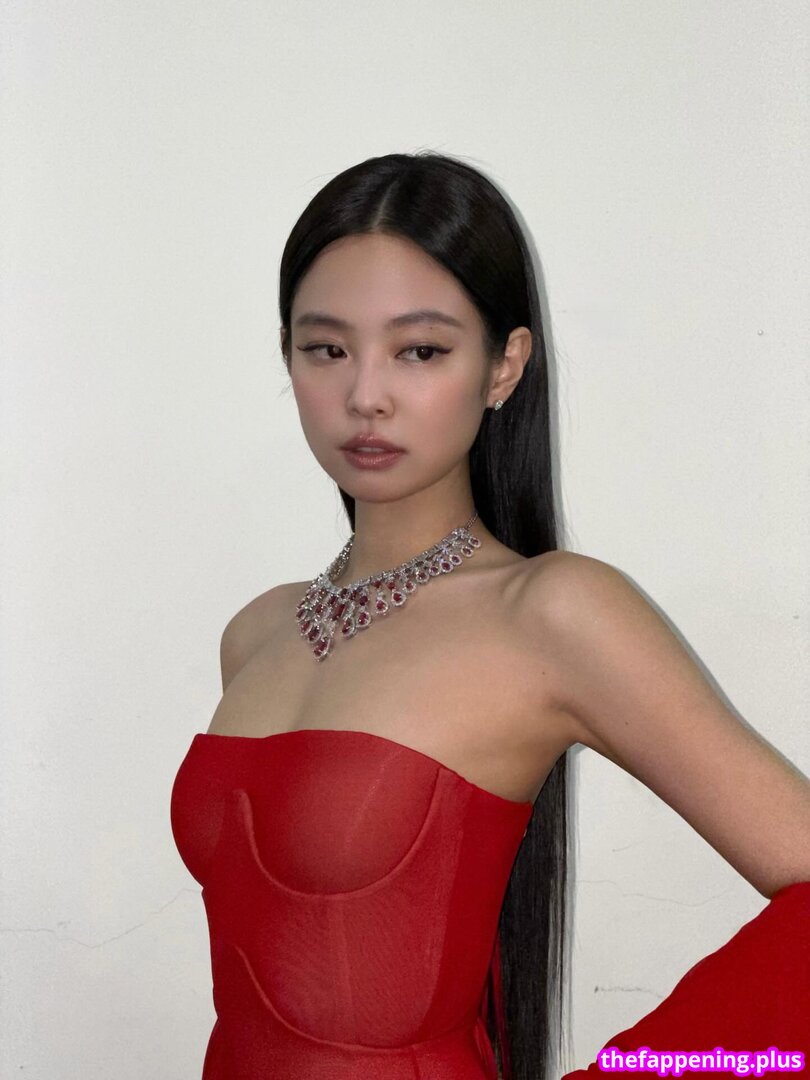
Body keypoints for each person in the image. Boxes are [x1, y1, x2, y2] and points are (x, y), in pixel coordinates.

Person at [169, 151, 810, 1080]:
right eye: (327, 348)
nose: (365, 395)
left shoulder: (552, 615)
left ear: (504, 365)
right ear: (287, 354)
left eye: (420, 351)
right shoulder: (259, 633)